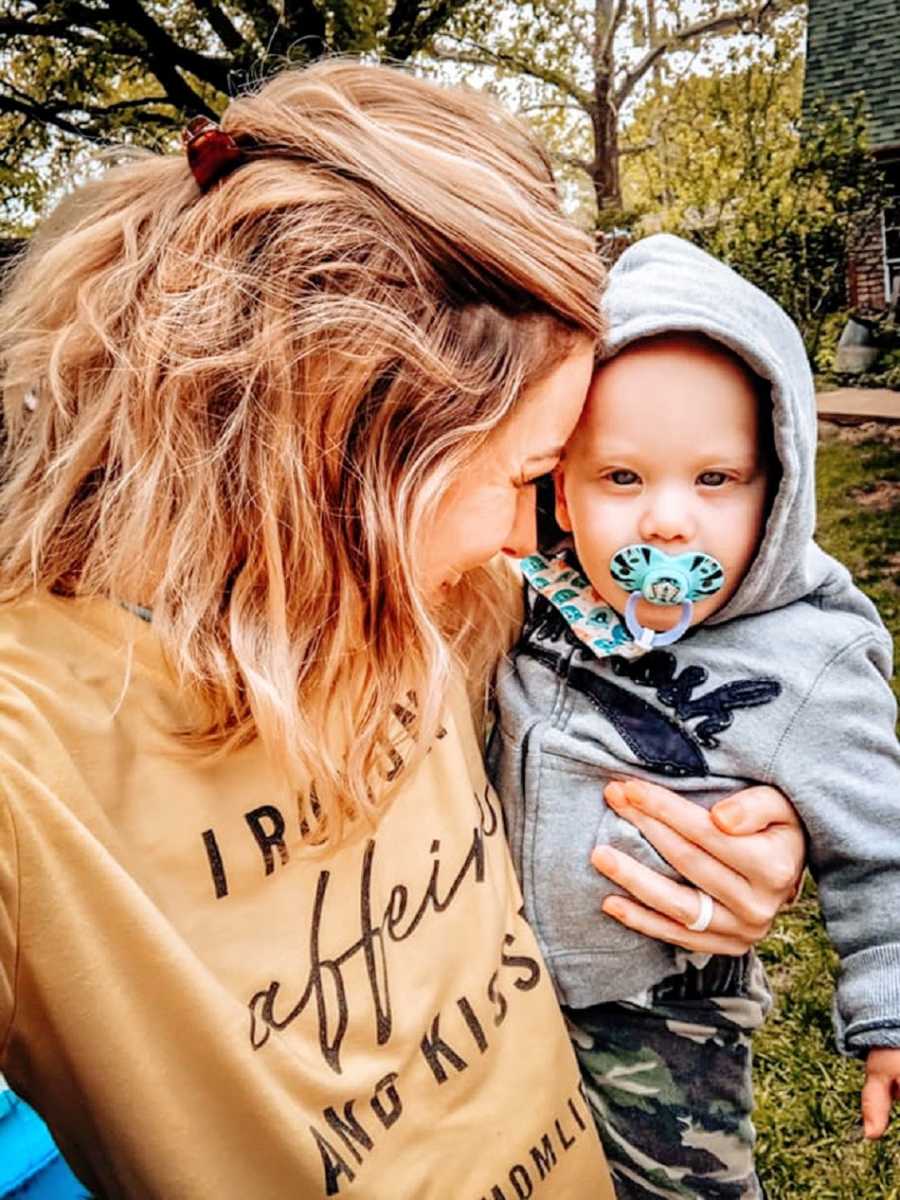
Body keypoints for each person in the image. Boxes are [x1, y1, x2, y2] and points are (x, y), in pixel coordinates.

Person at [0, 66, 804, 1199]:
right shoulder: (28, 751)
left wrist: (761, 837)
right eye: (529, 477)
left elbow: (738, 658)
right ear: (349, 467)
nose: (538, 539)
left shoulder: (442, 596)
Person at [493, 233, 900, 1199]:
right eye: (621, 479)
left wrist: (889, 1013)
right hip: (495, 980)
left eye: (714, 479)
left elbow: (883, 846)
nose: (667, 522)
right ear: (562, 487)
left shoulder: (810, 656)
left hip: (668, 1005)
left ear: (778, 486)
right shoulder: (530, 590)